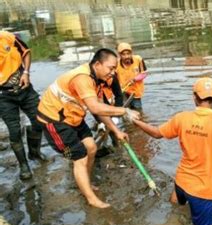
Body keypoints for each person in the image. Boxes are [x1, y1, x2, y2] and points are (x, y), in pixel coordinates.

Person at [133, 77, 212, 225]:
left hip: (181, 183)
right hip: (203, 191)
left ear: (194, 97)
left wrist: (137, 122)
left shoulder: (182, 118)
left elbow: (157, 133)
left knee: (176, 211)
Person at [36, 48, 140, 208]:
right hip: (54, 120)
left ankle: (86, 181)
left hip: (73, 116)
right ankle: (91, 198)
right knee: (80, 157)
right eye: (110, 68)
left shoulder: (96, 79)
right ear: (97, 64)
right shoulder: (82, 78)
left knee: (91, 147)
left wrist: (116, 130)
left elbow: (97, 108)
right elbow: (96, 107)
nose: (113, 72)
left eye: (114, 69)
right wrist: (124, 111)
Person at [0, 30, 46, 180]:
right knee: (14, 132)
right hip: (4, 97)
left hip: (25, 89)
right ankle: (24, 165)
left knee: (40, 120)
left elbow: (25, 52)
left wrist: (26, 72)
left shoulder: (8, 37)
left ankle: (34, 152)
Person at [116, 42, 146, 111]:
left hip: (135, 92)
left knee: (138, 110)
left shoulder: (138, 59)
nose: (127, 56)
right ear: (119, 55)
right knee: (125, 111)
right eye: (123, 54)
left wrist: (135, 79)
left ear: (131, 53)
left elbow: (144, 73)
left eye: (128, 53)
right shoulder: (116, 63)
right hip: (123, 92)